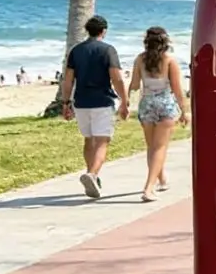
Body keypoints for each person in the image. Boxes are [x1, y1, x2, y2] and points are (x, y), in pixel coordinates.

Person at [60, 15, 129, 199]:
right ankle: (92, 174)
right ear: (103, 31)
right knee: (102, 140)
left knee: (88, 139)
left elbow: (68, 80)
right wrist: (125, 100)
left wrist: (66, 103)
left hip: (81, 102)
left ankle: (92, 175)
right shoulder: (108, 50)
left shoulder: (76, 51)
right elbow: (117, 78)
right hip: (103, 101)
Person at [129, 27, 189, 201]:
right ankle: (149, 187)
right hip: (165, 105)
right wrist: (184, 111)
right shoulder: (169, 61)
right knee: (160, 147)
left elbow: (134, 84)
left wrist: (125, 101)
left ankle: (162, 179)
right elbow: (178, 90)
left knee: (152, 147)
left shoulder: (140, 60)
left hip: (146, 104)